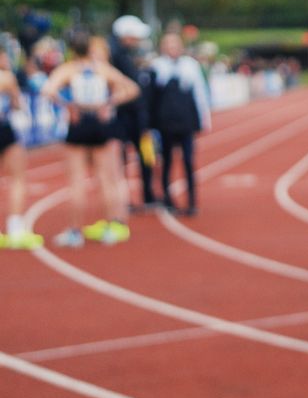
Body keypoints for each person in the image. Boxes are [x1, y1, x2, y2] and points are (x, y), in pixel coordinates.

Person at [44, 33, 141, 247]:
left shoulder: (68, 69)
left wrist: (68, 106)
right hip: (99, 122)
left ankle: (75, 232)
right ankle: (111, 227)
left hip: (78, 122)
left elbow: (48, 90)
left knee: (76, 182)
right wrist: (109, 103)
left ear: (71, 49)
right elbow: (133, 88)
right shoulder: (102, 68)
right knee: (106, 179)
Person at [148, 30, 212, 216]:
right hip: (165, 122)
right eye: (168, 44)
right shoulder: (157, 66)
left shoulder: (190, 66)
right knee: (166, 161)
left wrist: (204, 118)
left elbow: (200, 92)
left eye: (175, 44)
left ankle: (191, 200)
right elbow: (151, 96)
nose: (172, 48)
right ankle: (167, 199)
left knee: (188, 160)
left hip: (185, 120)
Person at [109, 15, 158, 211]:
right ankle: (125, 197)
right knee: (122, 158)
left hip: (137, 116)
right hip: (125, 116)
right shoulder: (117, 56)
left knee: (146, 155)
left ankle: (146, 194)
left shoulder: (127, 55)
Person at [0, 49, 41, 249]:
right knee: (17, 178)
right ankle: (15, 229)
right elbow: (17, 104)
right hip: (4, 129)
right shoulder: (6, 77)